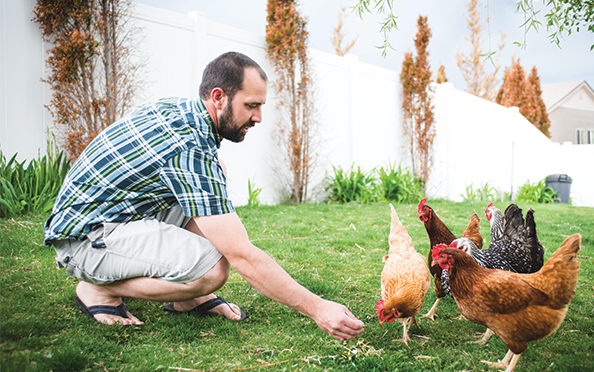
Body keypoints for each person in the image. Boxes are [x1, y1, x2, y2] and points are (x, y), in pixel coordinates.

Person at [43, 51, 364, 341]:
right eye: (251, 106)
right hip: (83, 239)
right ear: (219, 97)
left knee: (217, 175)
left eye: (260, 106)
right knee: (214, 270)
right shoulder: (190, 147)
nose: (258, 118)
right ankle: (98, 288)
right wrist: (318, 307)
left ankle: (187, 297)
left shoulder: (181, 111)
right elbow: (242, 255)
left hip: (114, 213)